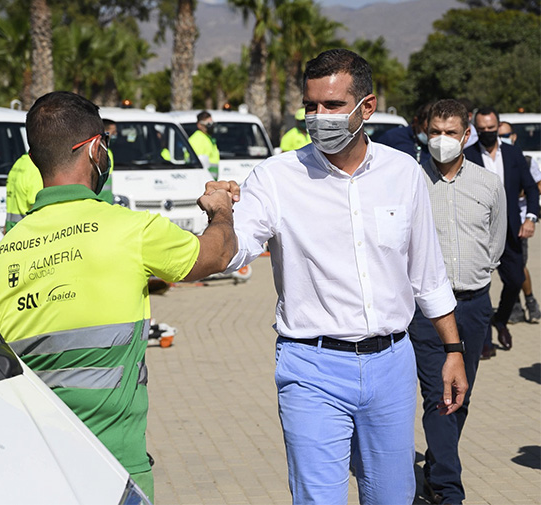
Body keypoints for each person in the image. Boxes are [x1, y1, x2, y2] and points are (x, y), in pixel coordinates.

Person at [209, 49, 467, 504]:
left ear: (365, 107)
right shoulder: (275, 178)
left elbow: (428, 274)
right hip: (311, 367)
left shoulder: (403, 173)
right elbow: (234, 251)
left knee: (393, 495)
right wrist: (220, 217)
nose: (318, 117)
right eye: (311, 106)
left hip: (391, 365)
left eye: (332, 106)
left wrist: (452, 350)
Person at [0, 91, 237, 502]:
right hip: (114, 467)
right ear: (96, 149)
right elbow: (218, 253)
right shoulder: (132, 231)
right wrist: (220, 210)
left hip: (36, 466)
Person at [410, 99, 506, 505]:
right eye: (435, 132)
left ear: (466, 136)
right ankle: (449, 490)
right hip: (426, 311)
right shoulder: (411, 181)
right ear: (424, 132)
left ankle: (435, 469)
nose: (442, 140)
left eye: (451, 133)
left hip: (473, 305)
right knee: (438, 394)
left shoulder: (488, 185)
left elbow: (496, 243)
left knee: (459, 395)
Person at [464, 107, 538, 354]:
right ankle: (485, 341)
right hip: (479, 233)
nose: (487, 133)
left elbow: (531, 188)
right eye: (482, 129)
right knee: (481, 286)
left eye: (491, 129)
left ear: (498, 127)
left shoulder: (514, 153)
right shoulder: (468, 155)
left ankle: (501, 320)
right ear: (475, 129)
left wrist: (531, 218)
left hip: (511, 231)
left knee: (516, 279)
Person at [499, 121, 541, 324]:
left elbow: (536, 184)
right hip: (496, 223)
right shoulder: (491, 158)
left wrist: (529, 217)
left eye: (505, 134)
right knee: (506, 268)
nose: (501, 138)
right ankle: (513, 305)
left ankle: (530, 301)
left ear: (513, 136)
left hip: (519, 221)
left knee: (519, 266)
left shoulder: (524, 158)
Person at [4, 153, 42, 232]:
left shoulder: (19, 162)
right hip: (26, 230)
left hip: (10, 227)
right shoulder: (35, 167)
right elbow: (35, 204)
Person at [188, 110, 220, 179]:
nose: (211, 126)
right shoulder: (196, 139)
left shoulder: (209, 138)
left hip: (211, 179)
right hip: (203, 179)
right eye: (208, 124)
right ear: (199, 125)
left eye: (212, 123)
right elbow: (197, 164)